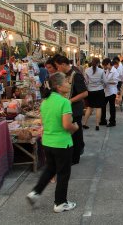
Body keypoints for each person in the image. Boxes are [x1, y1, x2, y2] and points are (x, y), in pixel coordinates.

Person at [26, 72, 79, 213]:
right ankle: (60, 203)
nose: (68, 84)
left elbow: (43, 123)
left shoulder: (45, 102)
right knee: (63, 173)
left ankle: (35, 192)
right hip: (62, 143)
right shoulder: (64, 102)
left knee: (50, 169)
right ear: (59, 86)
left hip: (48, 142)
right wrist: (76, 127)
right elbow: (67, 125)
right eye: (66, 82)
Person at [54, 55, 87, 165]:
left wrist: (70, 101)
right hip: (65, 109)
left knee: (76, 133)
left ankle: (75, 157)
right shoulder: (62, 75)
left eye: (58, 66)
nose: (57, 69)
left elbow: (85, 93)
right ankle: (71, 154)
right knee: (69, 133)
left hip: (75, 109)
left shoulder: (76, 75)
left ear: (63, 64)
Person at [82, 58, 105, 130]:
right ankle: (97, 125)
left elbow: (86, 82)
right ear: (98, 63)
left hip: (90, 90)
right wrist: (101, 83)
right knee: (98, 108)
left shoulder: (87, 70)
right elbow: (105, 81)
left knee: (89, 107)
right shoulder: (101, 71)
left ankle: (84, 123)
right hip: (99, 90)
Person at [101, 58, 119, 127]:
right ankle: (103, 120)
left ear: (108, 64)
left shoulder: (115, 71)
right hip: (106, 91)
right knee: (103, 105)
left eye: (105, 66)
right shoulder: (108, 70)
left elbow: (115, 82)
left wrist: (107, 81)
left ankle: (112, 121)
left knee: (112, 107)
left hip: (112, 92)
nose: (104, 67)